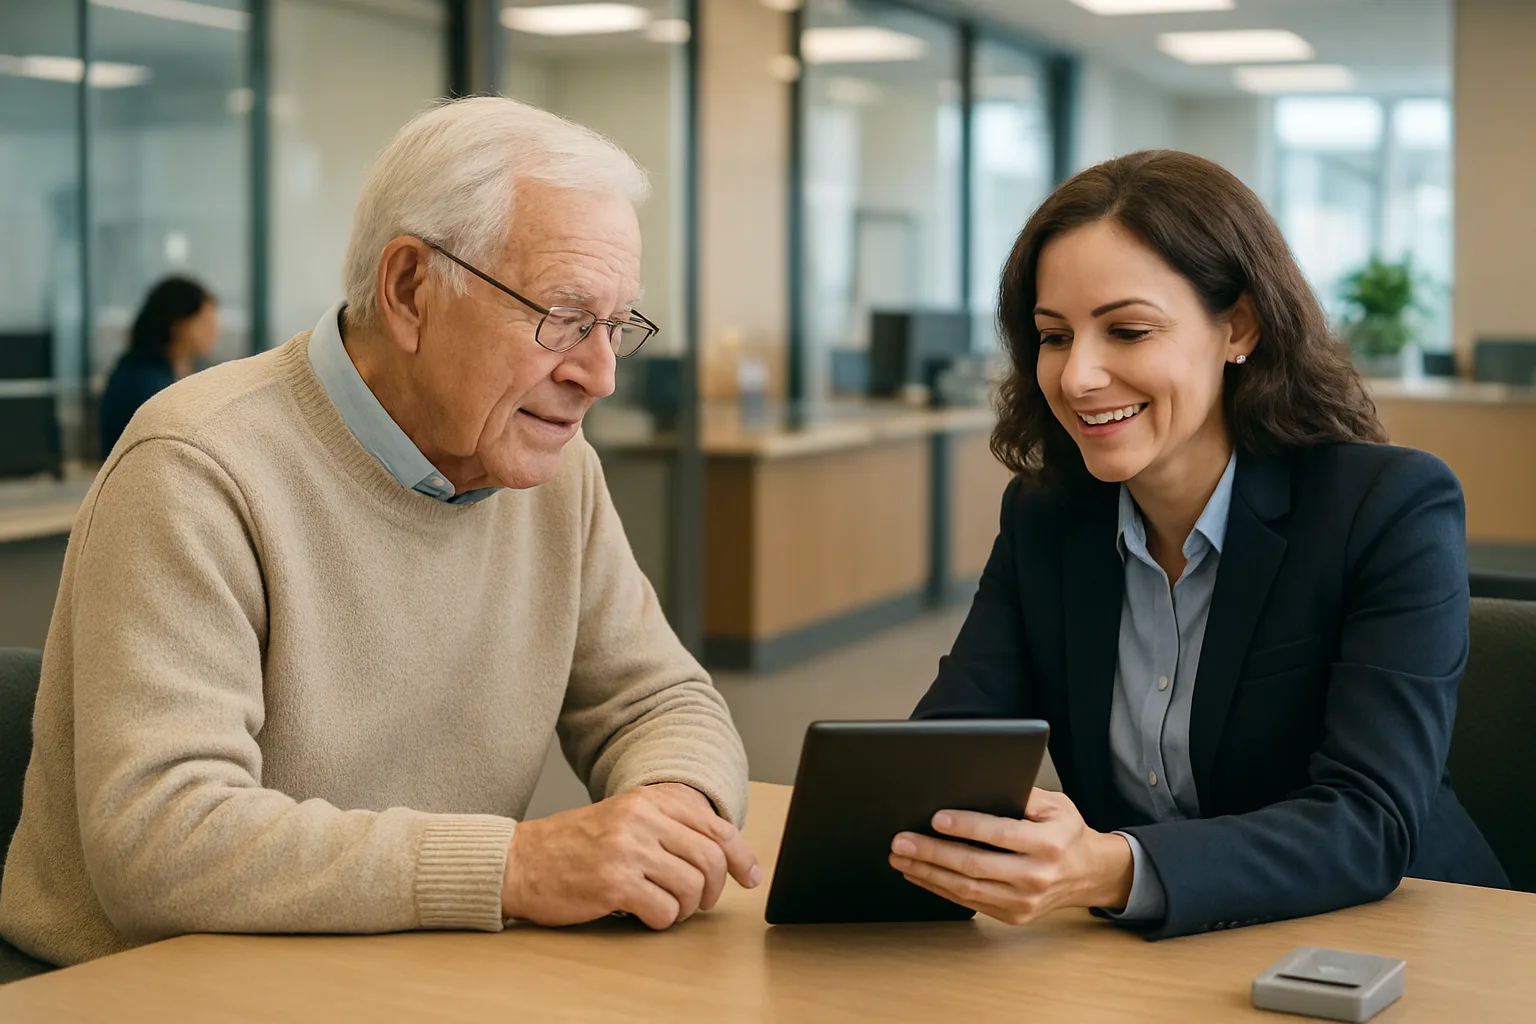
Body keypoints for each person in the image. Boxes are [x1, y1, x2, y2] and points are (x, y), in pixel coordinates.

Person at [0, 97, 756, 967]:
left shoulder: (550, 467)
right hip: (156, 985)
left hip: (418, 963)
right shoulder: (198, 465)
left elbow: (657, 700)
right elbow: (163, 839)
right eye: (565, 317)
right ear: (408, 291)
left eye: (617, 327)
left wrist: (673, 811)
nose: (599, 376)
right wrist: (515, 866)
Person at [897, 150, 1507, 940]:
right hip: (1161, 961)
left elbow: (1371, 820)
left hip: (1405, 941)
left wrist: (1113, 868)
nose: (1079, 375)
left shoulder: (1385, 509)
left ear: (1239, 327)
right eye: (1054, 336)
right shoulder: (1048, 519)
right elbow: (944, 759)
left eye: (1128, 330)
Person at [99, 276, 220, 455]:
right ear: (179, 324)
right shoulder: (144, 381)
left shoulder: (155, 373)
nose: (215, 331)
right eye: (205, 322)